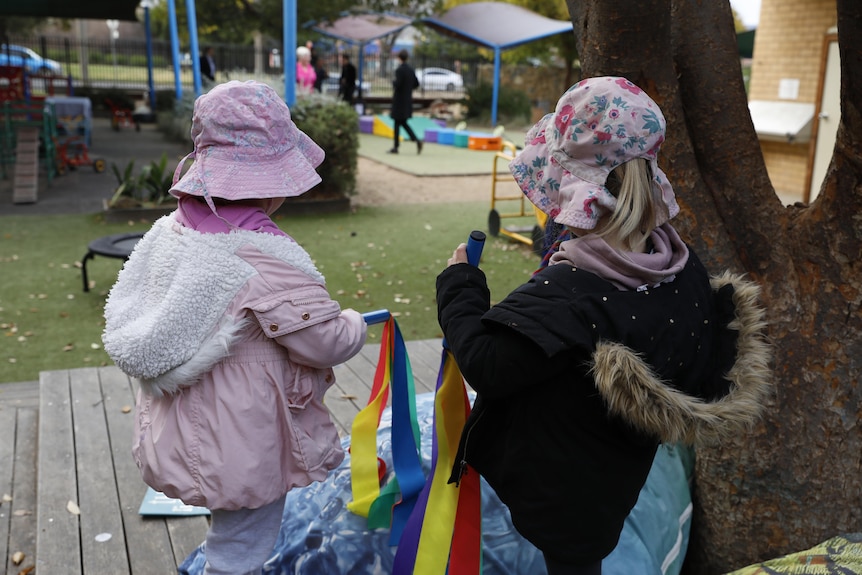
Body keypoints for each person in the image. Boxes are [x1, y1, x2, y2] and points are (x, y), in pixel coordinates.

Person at [436, 76, 772, 575]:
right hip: (610, 472)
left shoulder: (573, 292)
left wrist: (460, 284)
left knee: (570, 564)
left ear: (574, 191)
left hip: (561, 491)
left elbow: (488, 363)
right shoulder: (676, 266)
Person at [102, 80, 368, 575]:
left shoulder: (175, 229)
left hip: (191, 423)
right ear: (270, 185)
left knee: (230, 529)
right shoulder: (261, 256)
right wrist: (354, 323)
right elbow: (323, 342)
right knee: (242, 545)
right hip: (242, 435)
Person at [388, 49, 422, 155]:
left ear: (399, 58)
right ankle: (415, 140)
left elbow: (397, 84)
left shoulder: (399, 70)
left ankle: (396, 146)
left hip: (399, 100)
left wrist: (393, 82)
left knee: (398, 122)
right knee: (401, 122)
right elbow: (416, 83)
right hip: (407, 100)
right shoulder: (411, 70)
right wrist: (408, 88)